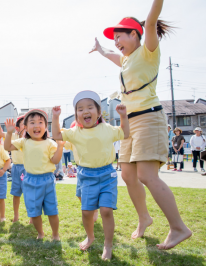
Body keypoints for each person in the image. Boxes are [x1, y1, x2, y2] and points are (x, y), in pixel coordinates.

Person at [89, 0, 191, 249]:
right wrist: (102, 51)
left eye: (120, 37)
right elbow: (116, 58)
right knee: (127, 175)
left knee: (146, 175)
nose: (117, 43)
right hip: (129, 123)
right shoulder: (126, 60)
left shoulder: (148, 51)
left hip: (149, 117)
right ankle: (144, 218)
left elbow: (152, 19)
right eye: (114, 40)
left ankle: (179, 228)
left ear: (135, 34)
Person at [52, 91, 129, 260]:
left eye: (89, 107)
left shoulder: (107, 128)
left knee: (107, 210)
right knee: (87, 212)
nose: (85, 111)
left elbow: (125, 133)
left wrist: (123, 116)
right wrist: (56, 118)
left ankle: (108, 245)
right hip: (86, 175)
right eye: (80, 109)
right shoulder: (75, 132)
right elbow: (57, 135)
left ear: (98, 112)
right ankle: (90, 236)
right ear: (76, 115)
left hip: (107, 174)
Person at [5, 109, 63, 241]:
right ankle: (41, 233)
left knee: (52, 210)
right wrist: (8, 133)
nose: (36, 125)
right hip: (30, 179)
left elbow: (55, 160)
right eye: (32, 122)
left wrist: (60, 147)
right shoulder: (23, 142)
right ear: (25, 128)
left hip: (47, 180)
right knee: (34, 211)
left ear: (45, 126)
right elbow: (7, 146)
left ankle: (55, 234)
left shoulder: (50, 143)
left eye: (40, 122)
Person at [0, 110, 27, 222]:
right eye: (24, 123)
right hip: (16, 168)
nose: (27, 125)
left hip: (28, 168)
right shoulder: (14, 135)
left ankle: (31, 217)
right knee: (16, 193)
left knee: (29, 194)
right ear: (17, 127)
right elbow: (0, 133)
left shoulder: (31, 138)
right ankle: (16, 216)